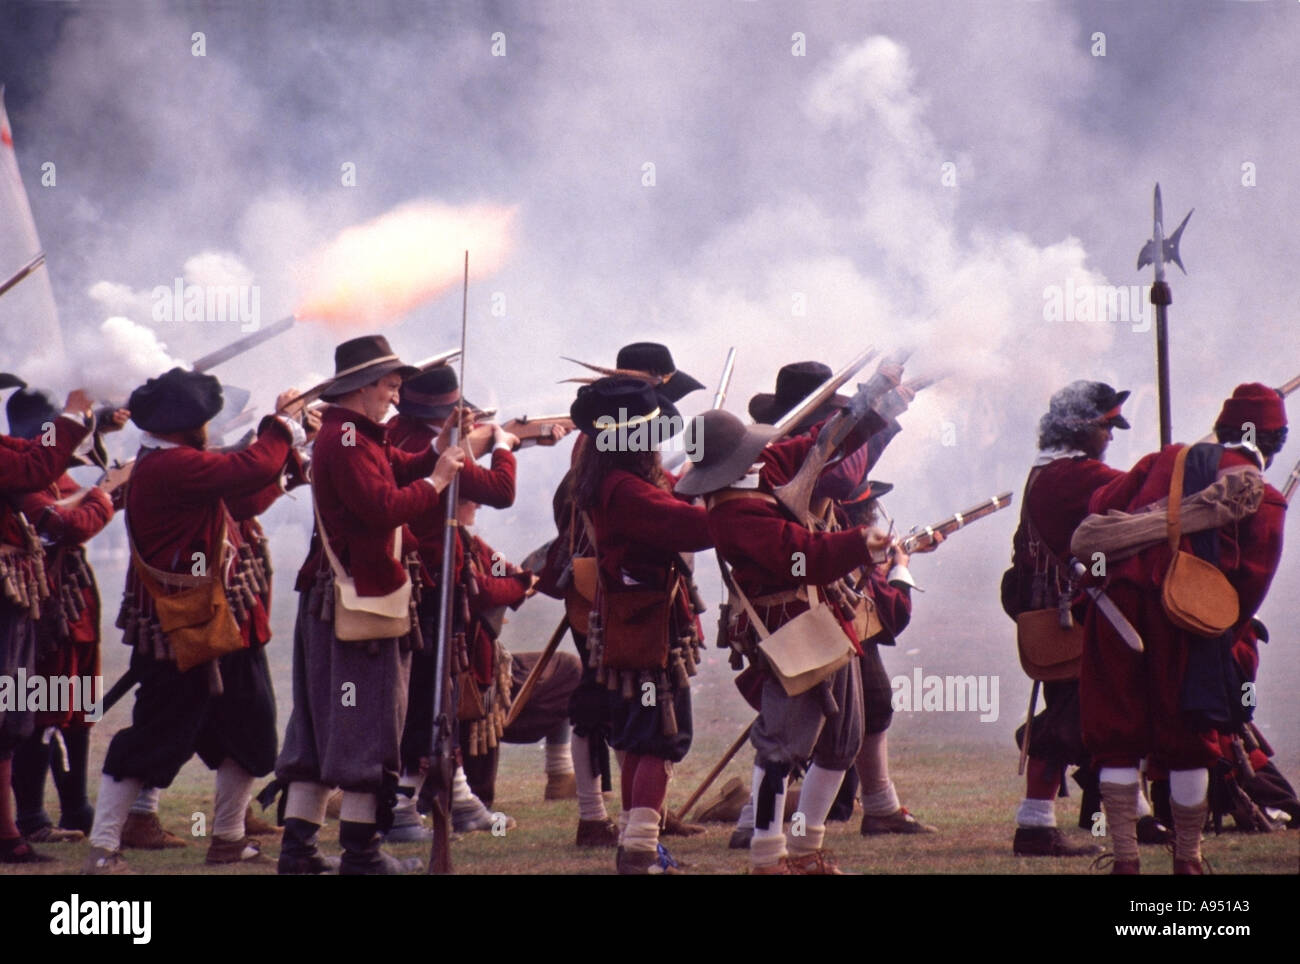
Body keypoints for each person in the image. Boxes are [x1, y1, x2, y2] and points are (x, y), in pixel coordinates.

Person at [677, 357, 906, 875]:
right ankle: (765, 855)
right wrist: (859, 543)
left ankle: (804, 852)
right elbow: (801, 554)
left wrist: (878, 404)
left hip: (826, 617)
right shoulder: (733, 512)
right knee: (781, 748)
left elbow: (825, 444)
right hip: (788, 629)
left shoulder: (765, 469)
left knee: (844, 739)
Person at [83, 368, 308, 874]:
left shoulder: (175, 463)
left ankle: (228, 838)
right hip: (183, 628)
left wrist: (289, 462)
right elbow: (246, 469)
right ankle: (102, 851)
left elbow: (242, 494)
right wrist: (282, 424)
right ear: (190, 426)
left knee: (249, 732)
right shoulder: (173, 467)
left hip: (223, 622)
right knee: (153, 739)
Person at [275, 336, 464, 875]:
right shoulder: (348, 437)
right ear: (362, 386)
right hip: (358, 607)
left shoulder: (350, 433)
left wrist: (435, 450)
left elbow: (390, 470)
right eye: (389, 384)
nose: (395, 394)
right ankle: (360, 854)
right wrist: (439, 479)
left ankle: (300, 852)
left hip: (340, 603)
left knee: (319, 729)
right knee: (368, 727)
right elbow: (381, 507)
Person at [1080, 382, 1287, 874]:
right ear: (1272, 442)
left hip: (1117, 606)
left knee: (1117, 733)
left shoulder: (1165, 458)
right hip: (1187, 616)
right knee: (1189, 736)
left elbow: (1103, 503)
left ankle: (1126, 861)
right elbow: (1247, 587)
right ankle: (1188, 862)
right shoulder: (1267, 496)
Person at [570, 376, 713, 874]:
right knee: (657, 737)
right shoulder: (627, 490)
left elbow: (667, 501)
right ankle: (640, 853)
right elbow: (690, 526)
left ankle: (638, 842)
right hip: (648, 630)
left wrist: (699, 477)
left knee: (637, 736)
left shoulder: (611, 480)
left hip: (635, 624)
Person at [386, 365, 522, 839]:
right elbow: (502, 492)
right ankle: (402, 805)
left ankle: (459, 797)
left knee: (439, 690)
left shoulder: (396, 434)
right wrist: (503, 445)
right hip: (431, 585)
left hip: (418, 583)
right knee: (429, 691)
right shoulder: (433, 449)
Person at [1000, 381, 1130, 859]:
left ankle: (1131, 814)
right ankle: (1033, 826)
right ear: (1080, 427)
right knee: (1071, 718)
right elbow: (1135, 490)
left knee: (1096, 712)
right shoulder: (1069, 476)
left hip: (1066, 613)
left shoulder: (1053, 472)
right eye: (1106, 427)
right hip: (1071, 618)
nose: (1110, 436)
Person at [8, 388, 122, 845]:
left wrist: (109, 494)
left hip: (74, 611)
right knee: (38, 713)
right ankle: (34, 817)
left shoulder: (52, 478)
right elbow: (66, 524)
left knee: (80, 713)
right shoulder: (23, 483)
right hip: (41, 613)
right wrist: (105, 496)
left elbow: (86, 508)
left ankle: (76, 807)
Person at [0, 381, 95, 864]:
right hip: (26, 603)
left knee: (58, 713)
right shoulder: (20, 468)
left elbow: (42, 459)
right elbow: (59, 515)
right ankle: (27, 821)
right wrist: (104, 498)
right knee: (22, 714)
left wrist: (91, 424)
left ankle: (57, 813)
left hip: (44, 601)